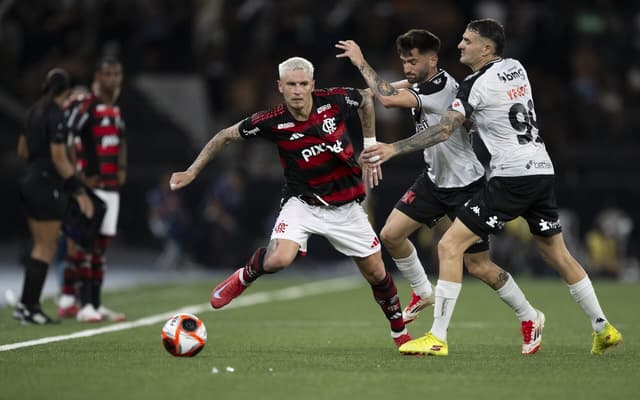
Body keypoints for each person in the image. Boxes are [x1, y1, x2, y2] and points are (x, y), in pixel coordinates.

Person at [362, 19, 622, 356]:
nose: (460, 46)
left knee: (450, 246)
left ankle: (438, 337)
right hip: (541, 168)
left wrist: (393, 148)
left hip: (510, 177)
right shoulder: (516, 68)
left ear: (486, 48)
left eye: (467, 41)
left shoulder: (474, 86)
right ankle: (603, 327)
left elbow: (444, 130)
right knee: (556, 252)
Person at [170, 56, 412, 349]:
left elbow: (365, 98)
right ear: (280, 87)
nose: (297, 90)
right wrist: (192, 170)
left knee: (377, 273)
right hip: (303, 202)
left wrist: (371, 143)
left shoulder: (334, 101)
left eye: (303, 84)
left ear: (312, 84)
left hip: (347, 205)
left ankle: (400, 334)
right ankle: (243, 277)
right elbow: (224, 136)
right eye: (291, 85)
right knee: (278, 260)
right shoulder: (270, 121)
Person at [336, 30, 545, 355]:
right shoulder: (425, 82)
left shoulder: (442, 87)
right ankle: (422, 291)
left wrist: (361, 61)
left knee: (479, 266)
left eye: (413, 60)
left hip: (466, 185)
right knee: (390, 235)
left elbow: (387, 98)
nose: (407, 66)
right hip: (434, 181)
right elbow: (385, 91)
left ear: (432, 60)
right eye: (404, 60)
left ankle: (530, 315)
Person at [14, 68, 94, 324]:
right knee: (46, 247)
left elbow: (22, 149)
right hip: (46, 183)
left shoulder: (33, 111)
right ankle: (30, 307)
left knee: (39, 245)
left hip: (28, 178)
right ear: (67, 91)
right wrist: (78, 190)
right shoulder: (56, 115)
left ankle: (26, 306)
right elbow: (60, 159)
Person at [58, 57, 127, 322]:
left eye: (117, 74)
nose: (114, 80)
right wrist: (77, 177)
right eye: (108, 74)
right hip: (91, 187)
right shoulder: (86, 105)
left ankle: (94, 304)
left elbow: (120, 142)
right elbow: (66, 139)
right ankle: (79, 302)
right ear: (97, 76)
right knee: (83, 246)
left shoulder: (114, 110)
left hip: (111, 187)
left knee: (99, 249)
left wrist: (121, 168)